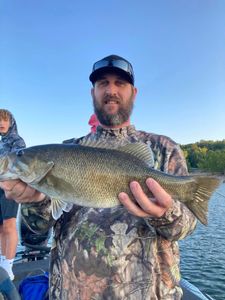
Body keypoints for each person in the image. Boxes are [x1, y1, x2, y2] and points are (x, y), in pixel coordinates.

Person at [0, 55, 197, 299]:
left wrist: (165, 213)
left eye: (120, 83)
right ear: (92, 92)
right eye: (103, 83)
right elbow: (36, 231)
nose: (111, 90)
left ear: (133, 92)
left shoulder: (165, 149)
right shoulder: (68, 148)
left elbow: (185, 227)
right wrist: (34, 200)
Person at [0, 109, 26, 280]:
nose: (1, 123)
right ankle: (2, 261)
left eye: (4, 120)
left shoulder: (17, 141)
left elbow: (20, 165)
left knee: (9, 225)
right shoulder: (1, 143)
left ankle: (9, 266)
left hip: (10, 186)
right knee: (0, 227)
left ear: (11, 122)